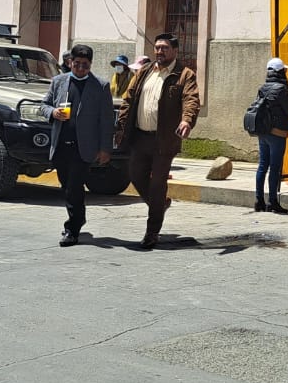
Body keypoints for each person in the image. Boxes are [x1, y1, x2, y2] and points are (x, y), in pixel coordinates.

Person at [114, 33, 201, 249]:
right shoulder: (144, 72)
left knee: (157, 183)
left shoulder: (184, 75)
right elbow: (128, 100)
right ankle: (161, 204)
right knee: (134, 174)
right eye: (157, 47)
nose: (160, 51)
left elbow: (191, 100)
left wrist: (187, 121)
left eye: (165, 48)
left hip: (164, 140)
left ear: (175, 51)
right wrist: (121, 126)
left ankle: (152, 232)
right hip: (140, 136)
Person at [42, 44, 115, 248]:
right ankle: (79, 217)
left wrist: (105, 148)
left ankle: (71, 229)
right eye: (77, 64)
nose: (81, 68)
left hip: (83, 147)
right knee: (67, 187)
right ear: (70, 63)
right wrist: (52, 113)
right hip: (60, 145)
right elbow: (44, 105)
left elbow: (106, 120)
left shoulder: (100, 86)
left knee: (74, 187)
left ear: (90, 65)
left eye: (85, 65)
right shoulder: (58, 82)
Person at [250, 57, 288, 214]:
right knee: (275, 167)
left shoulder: (263, 87)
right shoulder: (281, 89)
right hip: (277, 132)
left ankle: (259, 200)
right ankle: (273, 202)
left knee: (263, 165)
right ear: (280, 72)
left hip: (263, 132)